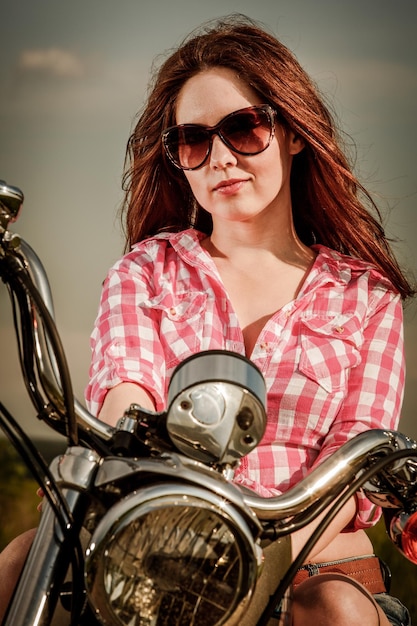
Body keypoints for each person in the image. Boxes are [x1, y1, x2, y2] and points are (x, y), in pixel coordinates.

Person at [0, 14, 414, 626]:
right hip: (153, 542)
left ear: (294, 132)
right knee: (16, 565)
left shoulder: (365, 296)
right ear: (178, 159)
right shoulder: (145, 272)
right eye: (193, 140)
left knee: (336, 611)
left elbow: (354, 460)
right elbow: (124, 392)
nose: (220, 157)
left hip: (311, 557)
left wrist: (242, 551)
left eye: (244, 128)